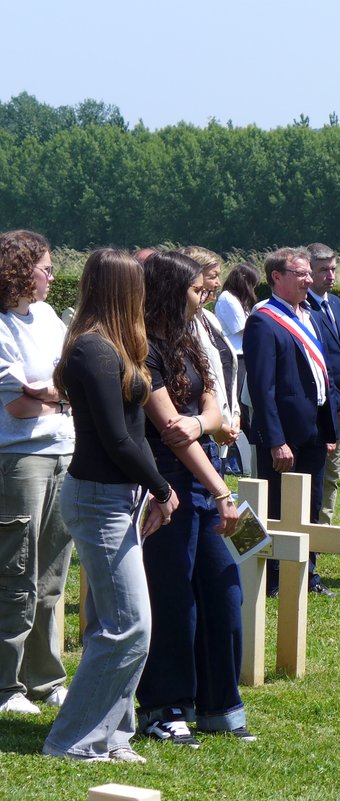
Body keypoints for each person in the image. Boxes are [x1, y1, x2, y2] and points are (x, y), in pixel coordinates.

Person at [42, 249, 179, 763]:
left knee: (118, 624)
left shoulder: (118, 347)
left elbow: (137, 434)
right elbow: (117, 441)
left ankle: (111, 735)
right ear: (124, 289)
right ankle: (71, 740)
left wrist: (153, 489)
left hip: (122, 496)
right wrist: (164, 489)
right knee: (129, 626)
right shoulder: (92, 352)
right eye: (139, 284)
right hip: (98, 499)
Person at [136, 251, 244, 746]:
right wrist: (223, 489)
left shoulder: (189, 338)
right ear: (166, 290)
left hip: (201, 479)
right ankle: (164, 705)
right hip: (165, 487)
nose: (202, 293)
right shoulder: (143, 348)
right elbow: (169, 431)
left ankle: (218, 702)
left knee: (223, 588)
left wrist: (204, 421)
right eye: (193, 287)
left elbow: (211, 410)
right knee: (173, 596)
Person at [0, 230, 74, 715]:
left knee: (53, 574)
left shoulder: (48, 316)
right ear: (19, 271)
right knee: (15, 569)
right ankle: (6, 686)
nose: (51, 275)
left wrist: (47, 393)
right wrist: (53, 397)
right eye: (45, 267)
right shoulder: (2, 325)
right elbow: (17, 407)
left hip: (64, 452)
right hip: (20, 459)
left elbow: (66, 380)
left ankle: (45, 679)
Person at [243, 248, 338, 596]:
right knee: (277, 506)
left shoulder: (309, 314)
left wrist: (329, 424)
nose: (309, 280)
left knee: (310, 504)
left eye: (309, 273)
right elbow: (262, 387)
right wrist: (274, 439)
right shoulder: (264, 320)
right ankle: (272, 578)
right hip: (284, 433)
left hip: (313, 427)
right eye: (300, 274)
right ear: (277, 277)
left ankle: (306, 574)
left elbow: (320, 373)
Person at [307, 244, 340, 543]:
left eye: (332, 269)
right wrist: (336, 397)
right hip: (322, 405)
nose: (330, 276)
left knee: (334, 472)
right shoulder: (303, 309)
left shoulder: (339, 305)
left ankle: (324, 532)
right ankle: (311, 531)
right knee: (316, 473)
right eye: (323, 270)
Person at [180, 247, 242, 478]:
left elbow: (226, 370)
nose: (218, 283)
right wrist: (216, 426)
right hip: (202, 433)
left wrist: (234, 415)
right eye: (212, 276)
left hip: (223, 429)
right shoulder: (183, 325)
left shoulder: (209, 318)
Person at [214, 263, 261, 475]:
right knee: (238, 408)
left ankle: (243, 459)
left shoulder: (238, 301)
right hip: (236, 356)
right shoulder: (227, 299)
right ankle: (234, 458)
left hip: (244, 355)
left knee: (245, 409)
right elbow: (244, 328)